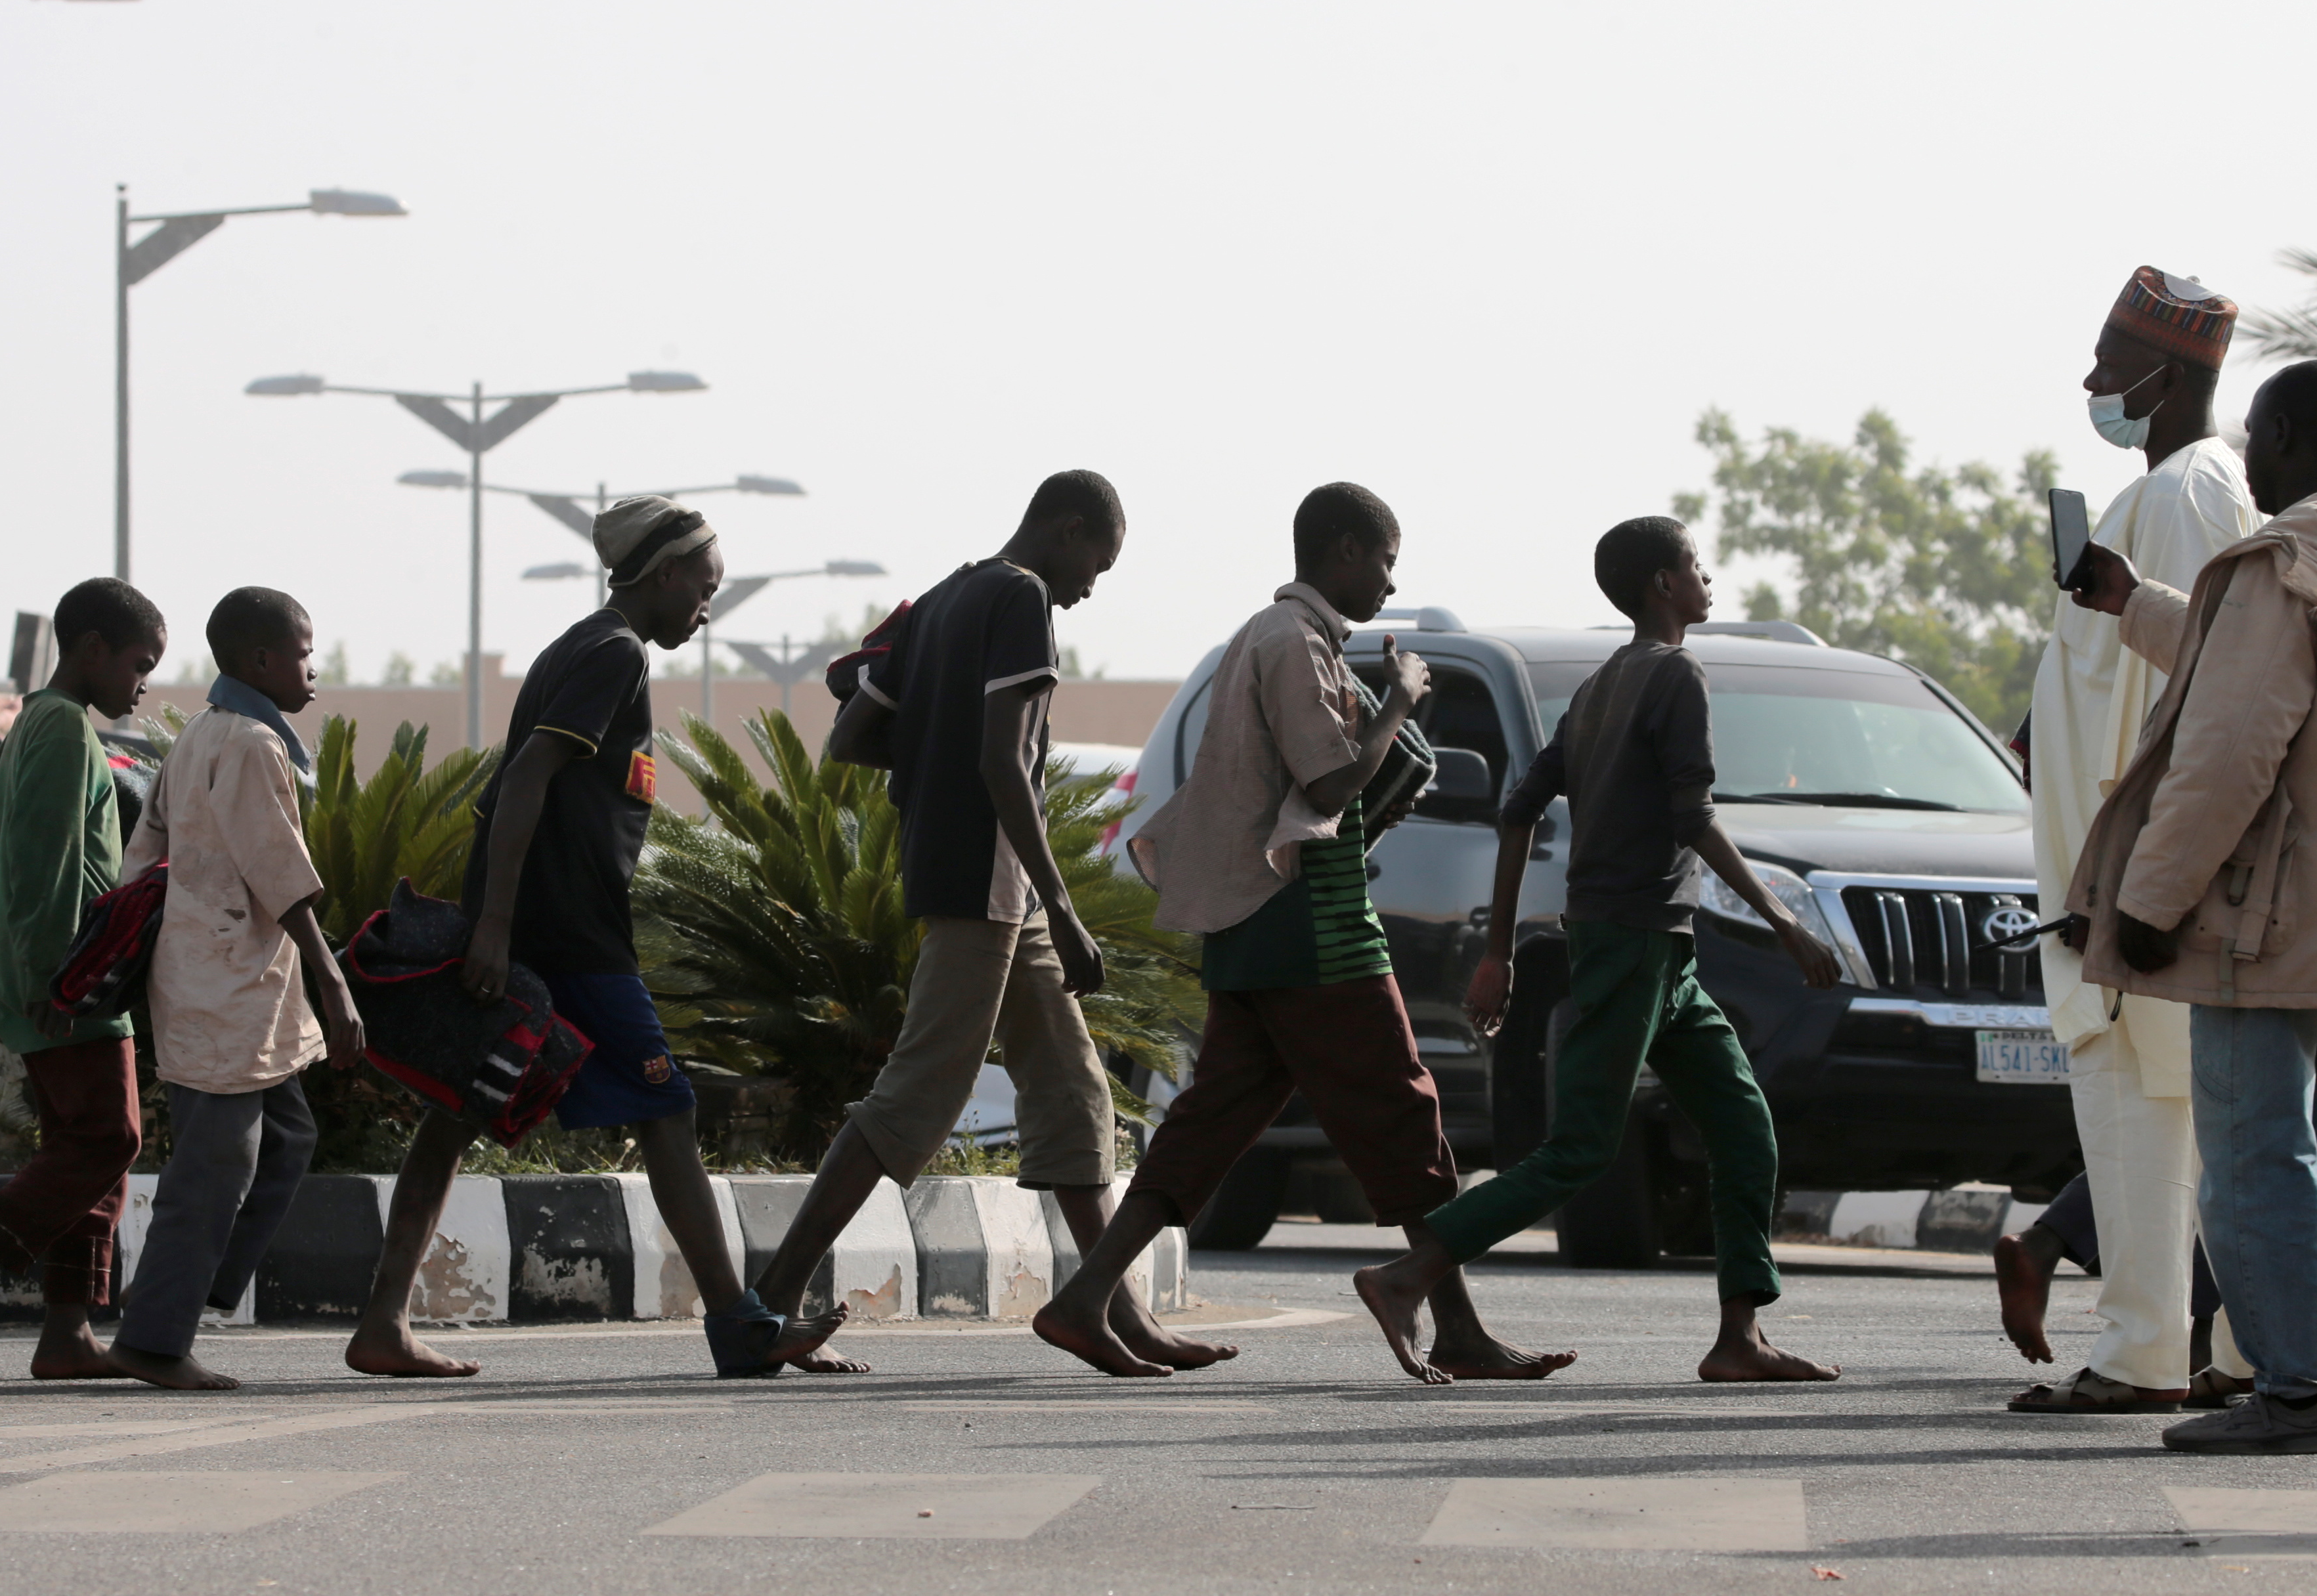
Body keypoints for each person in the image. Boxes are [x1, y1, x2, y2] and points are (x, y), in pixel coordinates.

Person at [1035, 484, 1559, 1380]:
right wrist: (1397, 702)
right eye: (1385, 562)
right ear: (1346, 552)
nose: (1390, 585)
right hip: (1310, 926)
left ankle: (1086, 1298)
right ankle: (1453, 1322)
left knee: (1212, 1119)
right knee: (1404, 1108)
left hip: (1264, 926)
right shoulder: (1289, 642)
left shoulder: (1285, 638)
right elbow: (1324, 789)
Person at [347, 498, 852, 1379]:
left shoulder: (588, 646)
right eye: (704, 585)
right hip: (569, 940)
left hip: (552, 929)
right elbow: (524, 780)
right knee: (668, 1107)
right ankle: (738, 1325)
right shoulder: (610, 652)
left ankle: (382, 1322)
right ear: (662, 575)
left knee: (454, 1113)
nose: (707, 604)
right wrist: (495, 927)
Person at [1351, 517, 1843, 1385]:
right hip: (1629, 941)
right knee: (1580, 1146)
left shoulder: (1599, 684)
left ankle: (1739, 1337)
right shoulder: (1672, 676)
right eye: (1694, 565)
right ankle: (1408, 1276)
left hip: (1662, 951)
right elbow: (1692, 817)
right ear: (1661, 583)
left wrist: (1499, 951)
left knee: (1741, 1123)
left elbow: (1515, 810)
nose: (1706, 578)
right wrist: (1784, 922)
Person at [2068, 359, 2317, 1456]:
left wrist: (2149, 898)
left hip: (2257, 913)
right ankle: (2298, 1376)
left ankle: (2293, 1393)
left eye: (2252, 435)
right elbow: (2243, 662)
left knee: (2248, 1155)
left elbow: (2228, 742)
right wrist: (2129, 601)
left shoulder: (2279, 563)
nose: (2242, 455)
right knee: (2305, 1158)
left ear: (2280, 431)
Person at [762, 471, 1219, 1371]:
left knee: (1075, 1095)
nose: (1092, 583)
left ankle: (1107, 1310)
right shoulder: (1017, 595)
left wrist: (934, 749)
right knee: (913, 1099)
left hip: (983, 882)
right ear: (1067, 526)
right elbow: (1005, 761)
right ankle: (765, 1302)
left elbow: (852, 737)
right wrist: (1061, 899)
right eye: (1098, 559)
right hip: (986, 881)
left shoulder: (943, 598)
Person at [1997, 267, 2261, 1415]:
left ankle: (2142, 1355)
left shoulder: (2193, 491)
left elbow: (2214, 679)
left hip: (2139, 879)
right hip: (2109, 873)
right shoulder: (2155, 491)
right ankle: (2220, 1356)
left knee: (2149, 1113)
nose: (2095, 379)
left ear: (2169, 374)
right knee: (2163, 1116)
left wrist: (2149, 878)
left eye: (2113, 356)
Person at [0, 578, 168, 1375]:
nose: (143, 683)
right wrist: (58, 975)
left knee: (83, 1149)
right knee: (109, 1136)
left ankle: (67, 1332)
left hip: (45, 974)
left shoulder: (30, 727)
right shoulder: (62, 732)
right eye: (138, 663)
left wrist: (3, 960)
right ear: (91, 648)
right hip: (72, 980)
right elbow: (44, 862)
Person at [110, 586, 365, 1391]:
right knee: (218, 1163)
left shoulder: (203, 734)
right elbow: (280, 875)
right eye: (302, 653)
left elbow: (144, 849)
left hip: (222, 974)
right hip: (222, 978)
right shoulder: (250, 742)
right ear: (260, 660)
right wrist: (336, 985)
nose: (312, 669)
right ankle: (155, 1336)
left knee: (286, 1137)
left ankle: (203, 1285)